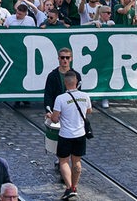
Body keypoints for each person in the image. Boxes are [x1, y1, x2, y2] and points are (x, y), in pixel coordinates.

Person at [48, 70, 91, 201]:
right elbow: (89, 111)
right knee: (77, 161)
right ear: (76, 82)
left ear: (65, 83)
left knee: (63, 161)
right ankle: (75, 187)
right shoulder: (85, 96)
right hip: (80, 134)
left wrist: (51, 115)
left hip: (65, 135)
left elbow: (55, 119)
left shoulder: (60, 98)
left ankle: (68, 187)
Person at [43, 47, 81, 169]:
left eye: (67, 58)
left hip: (72, 113)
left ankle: (66, 160)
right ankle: (62, 160)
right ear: (58, 58)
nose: (65, 60)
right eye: (62, 57)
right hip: (57, 111)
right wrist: (49, 111)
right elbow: (48, 94)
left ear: (71, 59)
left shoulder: (76, 76)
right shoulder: (52, 76)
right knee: (60, 137)